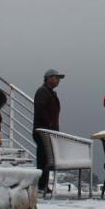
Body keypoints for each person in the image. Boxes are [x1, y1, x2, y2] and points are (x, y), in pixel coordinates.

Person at [33, 69, 65, 198]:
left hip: (47, 131)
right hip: (43, 131)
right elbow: (40, 109)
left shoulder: (50, 93)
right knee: (43, 159)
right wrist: (49, 125)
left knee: (46, 159)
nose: (58, 80)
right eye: (56, 78)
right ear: (48, 78)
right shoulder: (42, 91)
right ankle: (41, 185)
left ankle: (44, 184)